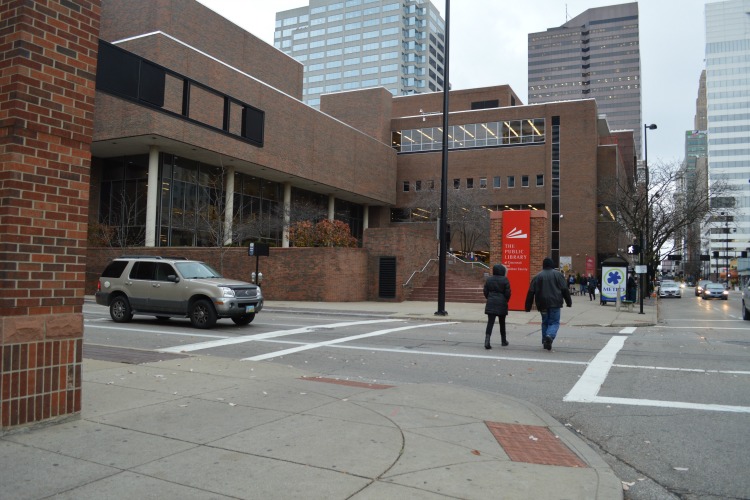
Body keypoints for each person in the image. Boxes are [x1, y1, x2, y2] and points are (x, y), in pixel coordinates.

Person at [524, 257, 572, 351]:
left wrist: (527, 306)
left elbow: (530, 292)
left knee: (545, 322)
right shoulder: (558, 275)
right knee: (554, 322)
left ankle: (545, 342)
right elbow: (564, 289)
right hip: (555, 303)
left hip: (542, 304)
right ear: (552, 265)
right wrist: (568, 302)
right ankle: (549, 336)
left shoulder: (537, 276)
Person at [483, 263, 511, 349]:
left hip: (491, 302)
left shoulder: (489, 279)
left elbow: (485, 291)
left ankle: (487, 341)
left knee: (490, 323)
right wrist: (505, 300)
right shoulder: (505, 280)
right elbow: (508, 293)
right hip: (502, 303)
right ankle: (503, 341)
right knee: (502, 323)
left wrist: (489, 298)